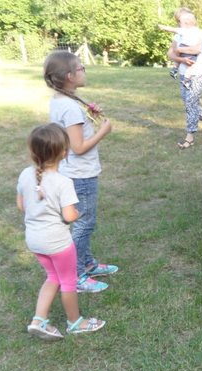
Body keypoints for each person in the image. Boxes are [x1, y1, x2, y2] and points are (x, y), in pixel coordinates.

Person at [18, 123, 106, 340]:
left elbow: (21, 206)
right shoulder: (63, 182)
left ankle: (38, 320)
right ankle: (75, 322)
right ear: (64, 152)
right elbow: (69, 216)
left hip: (34, 241)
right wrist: (76, 213)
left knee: (52, 277)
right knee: (68, 281)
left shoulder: (25, 174)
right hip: (57, 243)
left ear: (33, 151)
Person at [44, 51, 118, 294]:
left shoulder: (61, 100)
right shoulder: (70, 107)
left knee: (84, 222)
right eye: (80, 68)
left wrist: (90, 118)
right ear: (69, 76)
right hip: (80, 174)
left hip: (72, 171)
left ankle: (87, 263)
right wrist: (103, 132)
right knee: (84, 224)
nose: (84, 70)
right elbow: (78, 147)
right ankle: (74, 275)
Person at [165, 11, 202, 149]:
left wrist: (178, 50)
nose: (181, 23)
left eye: (183, 20)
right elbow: (170, 53)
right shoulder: (178, 35)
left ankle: (190, 137)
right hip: (184, 74)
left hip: (199, 73)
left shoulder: (201, 33)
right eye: (179, 21)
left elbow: (197, 50)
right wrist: (182, 59)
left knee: (191, 103)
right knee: (190, 103)